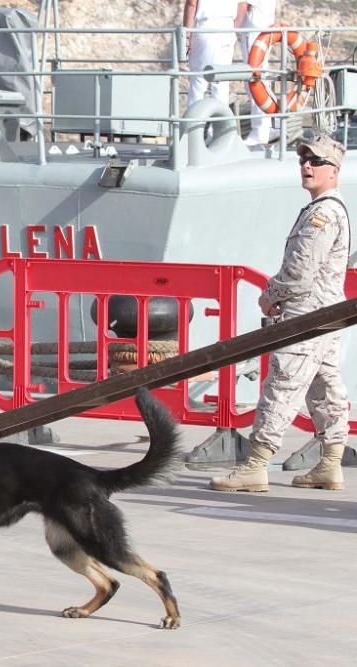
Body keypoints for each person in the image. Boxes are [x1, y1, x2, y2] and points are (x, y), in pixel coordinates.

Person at [211, 134, 350, 493]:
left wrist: (271, 295)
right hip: (325, 315)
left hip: (307, 316)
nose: (306, 166)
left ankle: (255, 466)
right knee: (325, 389)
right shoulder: (327, 209)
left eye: (316, 161)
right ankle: (330, 465)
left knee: (282, 387)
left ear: (333, 171)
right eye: (303, 159)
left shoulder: (323, 214)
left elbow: (300, 269)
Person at [235, 0, 279, 145]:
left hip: (253, 34)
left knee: (254, 83)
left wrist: (233, 30)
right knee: (262, 81)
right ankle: (274, 125)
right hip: (263, 32)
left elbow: (243, 5)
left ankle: (260, 130)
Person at [183, 0, 238, 107]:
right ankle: (220, 122)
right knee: (221, 83)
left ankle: (195, 122)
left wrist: (187, 35)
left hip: (206, 26)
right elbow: (242, 5)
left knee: (198, 81)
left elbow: (191, 3)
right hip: (228, 27)